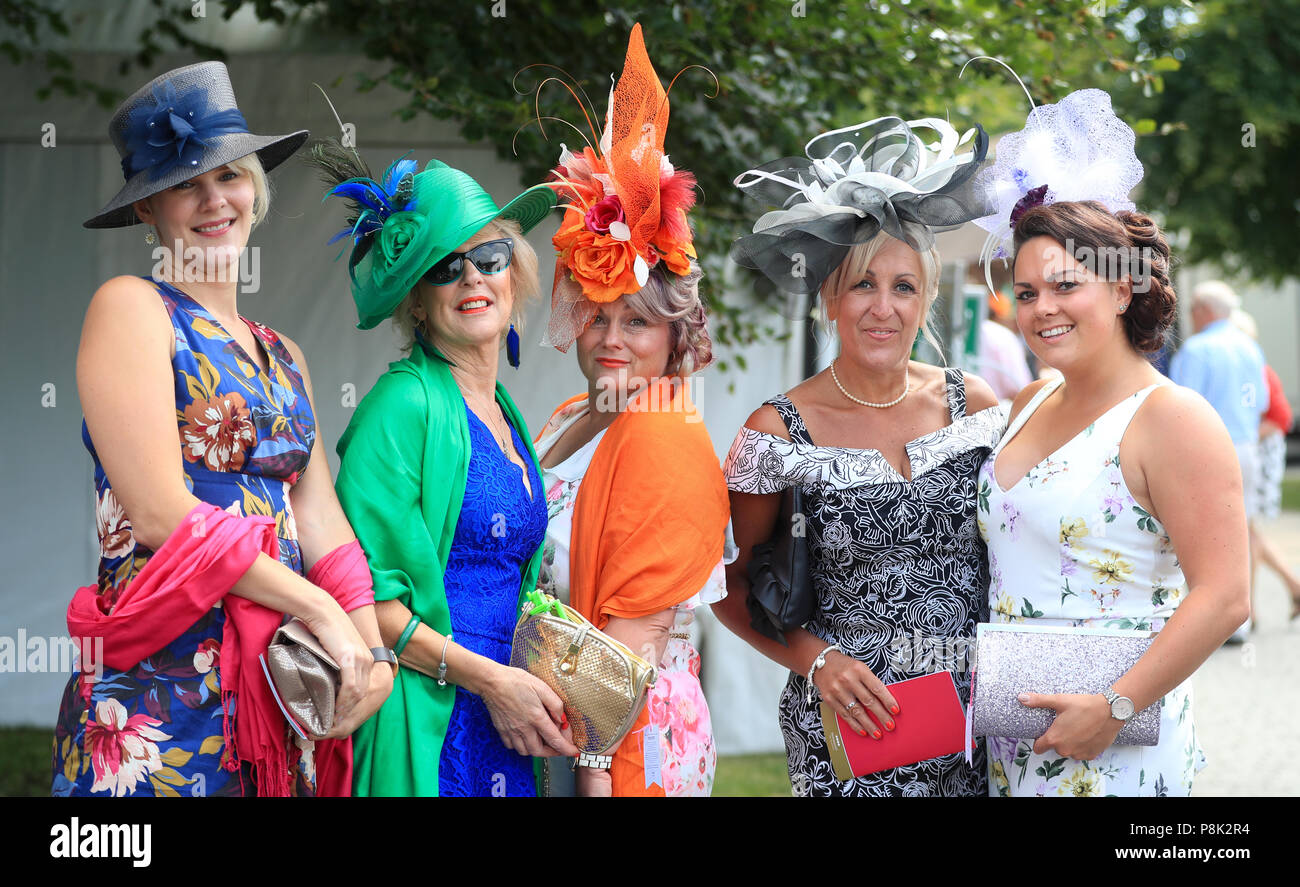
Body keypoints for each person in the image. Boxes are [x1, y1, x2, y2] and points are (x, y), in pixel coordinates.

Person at [55, 62, 391, 798]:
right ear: (148, 211)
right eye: (185, 183)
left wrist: (370, 651)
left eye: (230, 176)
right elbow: (158, 511)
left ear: (255, 189)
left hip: (280, 676)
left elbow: (323, 522)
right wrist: (316, 609)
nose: (215, 200)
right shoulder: (132, 307)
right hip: (161, 683)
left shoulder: (285, 353)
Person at [973, 90, 1250, 797]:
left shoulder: (1171, 418)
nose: (1042, 309)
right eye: (1027, 292)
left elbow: (1223, 596)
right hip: (1016, 741)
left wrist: (1115, 706)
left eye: (1066, 285)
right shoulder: (1029, 400)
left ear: (1123, 290)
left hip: (1116, 747)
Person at [720, 113, 1004, 797]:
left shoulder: (979, 406)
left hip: (974, 727)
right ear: (829, 297)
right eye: (862, 284)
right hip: (849, 733)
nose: (883, 307)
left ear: (928, 298)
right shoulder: (776, 432)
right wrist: (818, 661)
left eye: (904, 286)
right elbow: (728, 586)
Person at [313, 144, 579, 796]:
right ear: (414, 302)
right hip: (430, 721)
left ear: (515, 274)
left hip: (508, 717)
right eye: (445, 267)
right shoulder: (399, 406)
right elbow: (370, 605)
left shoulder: (504, 412)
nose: (472, 279)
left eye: (489, 258)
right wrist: (492, 681)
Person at [531, 23, 730, 798]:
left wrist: (592, 775)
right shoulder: (570, 414)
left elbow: (632, 647)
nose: (611, 338)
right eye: (597, 314)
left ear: (677, 333)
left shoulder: (663, 435)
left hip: (628, 737)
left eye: (637, 321)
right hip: (562, 716)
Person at [1170, 281, 1268, 639]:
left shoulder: (1196, 349)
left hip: (1206, 449)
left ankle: (1196, 619)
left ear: (1202, 311)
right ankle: (1238, 621)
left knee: (1191, 532)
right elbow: (1259, 401)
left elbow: (1179, 407)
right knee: (1239, 529)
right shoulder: (1250, 347)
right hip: (1245, 445)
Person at [1229, 311, 1300, 621]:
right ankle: (1288, 587)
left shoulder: (1258, 370)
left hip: (1261, 450)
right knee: (1246, 529)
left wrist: (1245, 439)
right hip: (1252, 450)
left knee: (1245, 529)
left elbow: (1281, 416)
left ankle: (1250, 609)